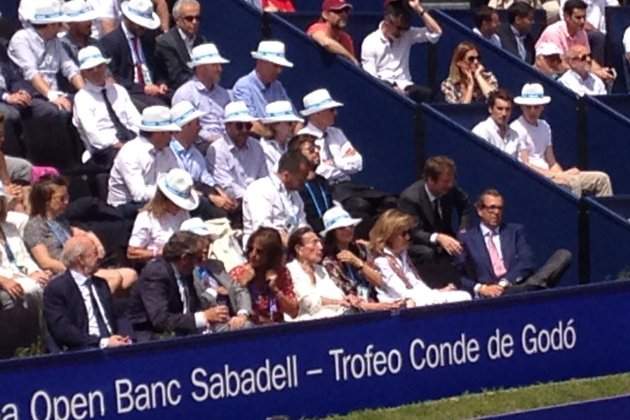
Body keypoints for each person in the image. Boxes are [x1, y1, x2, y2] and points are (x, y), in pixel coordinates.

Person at [24, 176, 138, 292]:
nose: (67, 202)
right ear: (46, 202)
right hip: (63, 273)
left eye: (67, 197)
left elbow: (81, 233)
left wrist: (96, 244)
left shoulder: (61, 220)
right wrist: (78, 272)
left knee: (130, 275)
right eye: (61, 199)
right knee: (115, 278)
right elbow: (45, 262)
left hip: (81, 268)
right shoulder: (35, 226)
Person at [8, 0, 85, 169]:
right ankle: (64, 163)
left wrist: (86, 92)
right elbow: (30, 72)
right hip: (31, 93)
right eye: (58, 24)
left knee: (83, 104)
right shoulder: (21, 38)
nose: (61, 28)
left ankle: (85, 157)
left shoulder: (55, 41)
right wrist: (51, 95)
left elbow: (69, 68)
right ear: (49, 25)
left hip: (54, 91)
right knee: (57, 112)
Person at [299, 88, 392, 226]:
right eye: (331, 110)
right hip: (327, 188)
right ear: (317, 113)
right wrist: (342, 163)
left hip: (348, 185)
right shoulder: (302, 138)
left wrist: (334, 164)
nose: (335, 113)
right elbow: (319, 171)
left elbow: (357, 162)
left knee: (389, 201)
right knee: (360, 206)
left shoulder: (337, 133)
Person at [456, 189, 572, 297]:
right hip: (488, 293)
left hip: (515, 285)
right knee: (533, 287)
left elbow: (527, 261)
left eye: (500, 208)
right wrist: (481, 288)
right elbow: (457, 275)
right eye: (491, 208)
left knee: (563, 255)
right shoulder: (467, 238)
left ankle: (528, 289)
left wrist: (504, 283)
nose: (496, 212)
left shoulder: (514, 231)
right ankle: (533, 290)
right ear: (480, 211)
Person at [127, 231, 240, 341]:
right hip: (153, 338)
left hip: (183, 333)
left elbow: (193, 306)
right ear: (185, 258)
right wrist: (204, 317)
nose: (200, 263)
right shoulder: (156, 273)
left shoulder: (186, 272)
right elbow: (160, 320)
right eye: (198, 259)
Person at [511, 83, 612, 196]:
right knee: (573, 183)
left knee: (602, 179)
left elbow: (551, 161)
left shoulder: (545, 126)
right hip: (536, 179)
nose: (532, 111)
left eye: (536, 107)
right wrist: (559, 176)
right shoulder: (517, 128)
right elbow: (526, 165)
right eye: (528, 107)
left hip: (552, 175)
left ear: (542, 107)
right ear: (522, 107)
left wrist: (563, 174)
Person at [43, 236, 132, 351]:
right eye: (94, 253)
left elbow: (116, 315)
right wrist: (102, 342)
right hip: (82, 351)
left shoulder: (101, 284)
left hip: (113, 346)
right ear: (80, 259)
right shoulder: (57, 289)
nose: (99, 257)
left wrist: (126, 338)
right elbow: (63, 329)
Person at [369, 209, 471, 306]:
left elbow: (416, 284)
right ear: (390, 235)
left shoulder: (402, 255)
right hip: (400, 305)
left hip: (418, 300)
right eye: (404, 234)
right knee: (462, 298)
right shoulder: (381, 261)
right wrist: (435, 294)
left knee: (463, 296)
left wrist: (437, 292)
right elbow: (402, 293)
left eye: (409, 233)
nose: (408, 237)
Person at [398, 156, 472, 287]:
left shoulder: (449, 189)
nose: (450, 185)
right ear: (430, 180)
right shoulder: (410, 198)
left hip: (445, 235)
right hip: (418, 243)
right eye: (445, 181)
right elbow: (413, 231)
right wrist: (437, 237)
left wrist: (463, 231)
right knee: (428, 253)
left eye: (452, 181)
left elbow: (465, 204)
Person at [321, 206, 401, 311]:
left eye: (351, 226)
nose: (348, 230)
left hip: (378, 298)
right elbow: (346, 295)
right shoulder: (329, 262)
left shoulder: (362, 249)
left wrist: (359, 263)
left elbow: (380, 281)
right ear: (332, 233)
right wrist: (375, 307)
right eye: (342, 228)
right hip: (356, 309)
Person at [180, 217, 253, 330]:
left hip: (231, 320)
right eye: (200, 242)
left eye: (207, 241)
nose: (205, 247)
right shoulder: (185, 271)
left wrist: (242, 313)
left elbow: (238, 289)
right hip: (207, 325)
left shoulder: (216, 266)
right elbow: (194, 303)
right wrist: (214, 291)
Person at [361, 0, 442, 102]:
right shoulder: (370, 42)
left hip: (407, 87)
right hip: (383, 90)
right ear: (387, 21)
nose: (401, 33)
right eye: (399, 28)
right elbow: (370, 78)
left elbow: (436, 33)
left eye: (405, 28)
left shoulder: (406, 34)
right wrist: (392, 89)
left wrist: (419, 9)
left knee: (432, 96)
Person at [73, 46, 140, 167]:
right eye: (90, 69)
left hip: (131, 140)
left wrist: (138, 139)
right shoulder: (82, 98)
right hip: (104, 149)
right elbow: (93, 134)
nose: (96, 71)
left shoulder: (119, 90)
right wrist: (117, 143)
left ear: (105, 66)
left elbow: (135, 119)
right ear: (83, 74)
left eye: (99, 66)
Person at [169, 101, 236, 220]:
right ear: (185, 126)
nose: (200, 127)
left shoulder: (195, 153)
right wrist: (212, 197)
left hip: (197, 197)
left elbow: (206, 178)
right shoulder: (169, 153)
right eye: (197, 123)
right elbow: (180, 185)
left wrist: (221, 193)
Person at [107, 105, 180, 213]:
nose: (172, 137)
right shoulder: (130, 153)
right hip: (126, 210)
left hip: (159, 203)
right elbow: (139, 195)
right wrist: (171, 192)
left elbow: (178, 176)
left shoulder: (167, 151)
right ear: (159, 133)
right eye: (170, 132)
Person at [99, 0, 169, 110]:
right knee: (158, 108)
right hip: (131, 92)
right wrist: (143, 88)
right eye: (139, 24)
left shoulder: (149, 37)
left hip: (154, 88)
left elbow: (159, 66)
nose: (143, 28)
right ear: (128, 19)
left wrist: (161, 82)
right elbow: (114, 77)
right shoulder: (110, 42)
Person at [287, 227, 359, 321]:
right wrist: (339, 302)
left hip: (335, 317)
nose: (321, 247)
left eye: (320, 242)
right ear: (299, 249)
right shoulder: (290, 270)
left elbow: (336, 294)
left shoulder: (320, 269)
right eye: (314, 242)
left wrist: (347, 298)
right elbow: (308, 302)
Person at [230, 227, 299, 325]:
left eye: (259, 252)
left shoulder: (281, 273)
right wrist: (243, 285)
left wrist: (275, 290)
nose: (253, 255)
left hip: (276, 327)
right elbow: (232, 310)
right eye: (250, 249)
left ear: (271, 255)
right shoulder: (238, 272)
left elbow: (293, 312)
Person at [535, 0, 615, 84]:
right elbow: (560, 65)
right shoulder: (553, 32)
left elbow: (586, 58)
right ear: (567, 17)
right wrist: (596, 73)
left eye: (584, 17)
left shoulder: (582, 33)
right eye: (578, 18)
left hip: (573, 75)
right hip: (551, 79)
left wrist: (601, 71)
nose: (582, 21)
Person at [127, 168, 199, 262]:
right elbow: (132, 252)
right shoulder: (147, 218)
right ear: (164, 199)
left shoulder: (183, 213)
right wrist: (160, 253)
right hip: (160, 267)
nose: (179, 207)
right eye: (175, 203)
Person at [242, 151, 310, 246]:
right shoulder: (260, 188)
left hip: (291, 246)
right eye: (301, 179)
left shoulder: (296, 195)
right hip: (265, 247)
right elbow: (262, 227)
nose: (305, 183)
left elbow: (302, 223)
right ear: (286, 175)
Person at [172, 43, 231, 151]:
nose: (220, 69)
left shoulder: (224, 94)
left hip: (227, 146)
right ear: (201, 67)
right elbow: (182, 128)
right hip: (199, 148)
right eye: (214, 65)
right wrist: (215, 140)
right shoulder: (185, 93)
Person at [0, 182, 49, 310]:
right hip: (6, 278)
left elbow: (24, 257)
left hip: (22, 274)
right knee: (31, 289)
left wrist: (35, 271)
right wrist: (3, 280)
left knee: (49, 283)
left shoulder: (10, 227)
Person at [206, 101, 268, 202]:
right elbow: (226, 186)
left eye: (248, 126)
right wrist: (254, 198)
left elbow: (264, 178)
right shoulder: (217, 150)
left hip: (261, 200)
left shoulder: (257, 146)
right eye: (239, 126)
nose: (244, 130)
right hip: (237, 203)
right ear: (227, 126)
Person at [232, 40, 294, 137]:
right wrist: (274, 138)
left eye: (281, 67)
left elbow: (295, 119)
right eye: (276, 66)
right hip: (258, 144)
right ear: (261, 62)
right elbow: (249, 123)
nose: (279, 71)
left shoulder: (278, 87)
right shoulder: (243, 87)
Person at [154, 0, 206, 91]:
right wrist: (204, 81)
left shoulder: (201, 41)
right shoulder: (166, 42)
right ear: (177, 20)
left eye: (197, 18)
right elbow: (176, 77)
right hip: (177, 91)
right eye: (189, 18)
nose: (194, 22)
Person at [288, 134, 334, 233]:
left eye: (317, 148)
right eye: (311, 150)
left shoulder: (322, 181)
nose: (317, 152)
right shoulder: (295, 184)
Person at [472, 89, 521, 159]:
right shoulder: (481, 131)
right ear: (490, 109)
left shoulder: (515, 135)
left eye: (507, 109)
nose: (504, 114)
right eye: (500, 109)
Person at [306, 0, 358, 65]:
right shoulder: (317, 27)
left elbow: (352, 66)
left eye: (346, 11)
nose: (343, 14)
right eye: (338, 11)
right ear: (325, 15)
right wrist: (349, 56)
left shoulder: (346, 38)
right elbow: (326, 43)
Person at [261, 100, 303, 174]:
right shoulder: (264, 148)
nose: (294, 126)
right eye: (289, 123)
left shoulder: (291, 144)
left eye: (294, 123)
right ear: (275, 125)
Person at [60, 0, 99, 66]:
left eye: (89, 18)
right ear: (71, 23)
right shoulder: (63, 47)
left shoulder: (95, 44)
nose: (90, 23)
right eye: (84, 20)